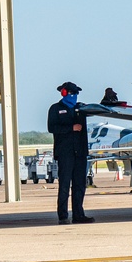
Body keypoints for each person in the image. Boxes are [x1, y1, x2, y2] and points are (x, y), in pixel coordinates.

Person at [47, 81, 94, 224]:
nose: (73, 96)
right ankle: (63, 215)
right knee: (64, 185)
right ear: (64, 93)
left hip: (80, 152)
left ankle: (78, 215)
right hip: (65, 153)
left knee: (80, 184)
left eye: (76, 94)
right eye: (71, 93)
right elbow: (52, 127)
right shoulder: (55, 109)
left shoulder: (81, 109)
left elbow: (97, 109)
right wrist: (70, 128)